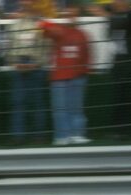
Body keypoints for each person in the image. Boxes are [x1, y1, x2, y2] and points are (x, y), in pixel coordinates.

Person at [40, 1, 92, 146]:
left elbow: (87, 55)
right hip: (59, 77)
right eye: (68, 11)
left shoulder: (82, 34)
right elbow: (43, 26)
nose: (71, 15)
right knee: (60, 109)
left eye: (74, 12)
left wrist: (84, 73)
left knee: (76, 108)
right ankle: (61, 136)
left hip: (78, 76)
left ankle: (77, 134)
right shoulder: (57, 29)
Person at [88, 0, 131, 139]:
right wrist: (108, 13)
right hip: (117, 62)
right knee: (117, 97)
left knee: (126, 97)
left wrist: (107, 14)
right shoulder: (115, 16)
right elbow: (109, 33)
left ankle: (128, 131)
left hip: (129, 63)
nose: (115, 3)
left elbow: (122, 23)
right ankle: (117, 130)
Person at [6, 0, 50, 145]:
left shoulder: (41, 24)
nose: (25, 4)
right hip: (19, 66)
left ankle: (39, 135)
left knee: (38, 102)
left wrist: (37, 64)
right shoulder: (15, 24)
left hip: (36, 66)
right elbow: (10, 47)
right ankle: (18, 136)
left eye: (28, 2)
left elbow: (46, 47)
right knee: (18, 103)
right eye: (23, 2)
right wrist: (14, 62)